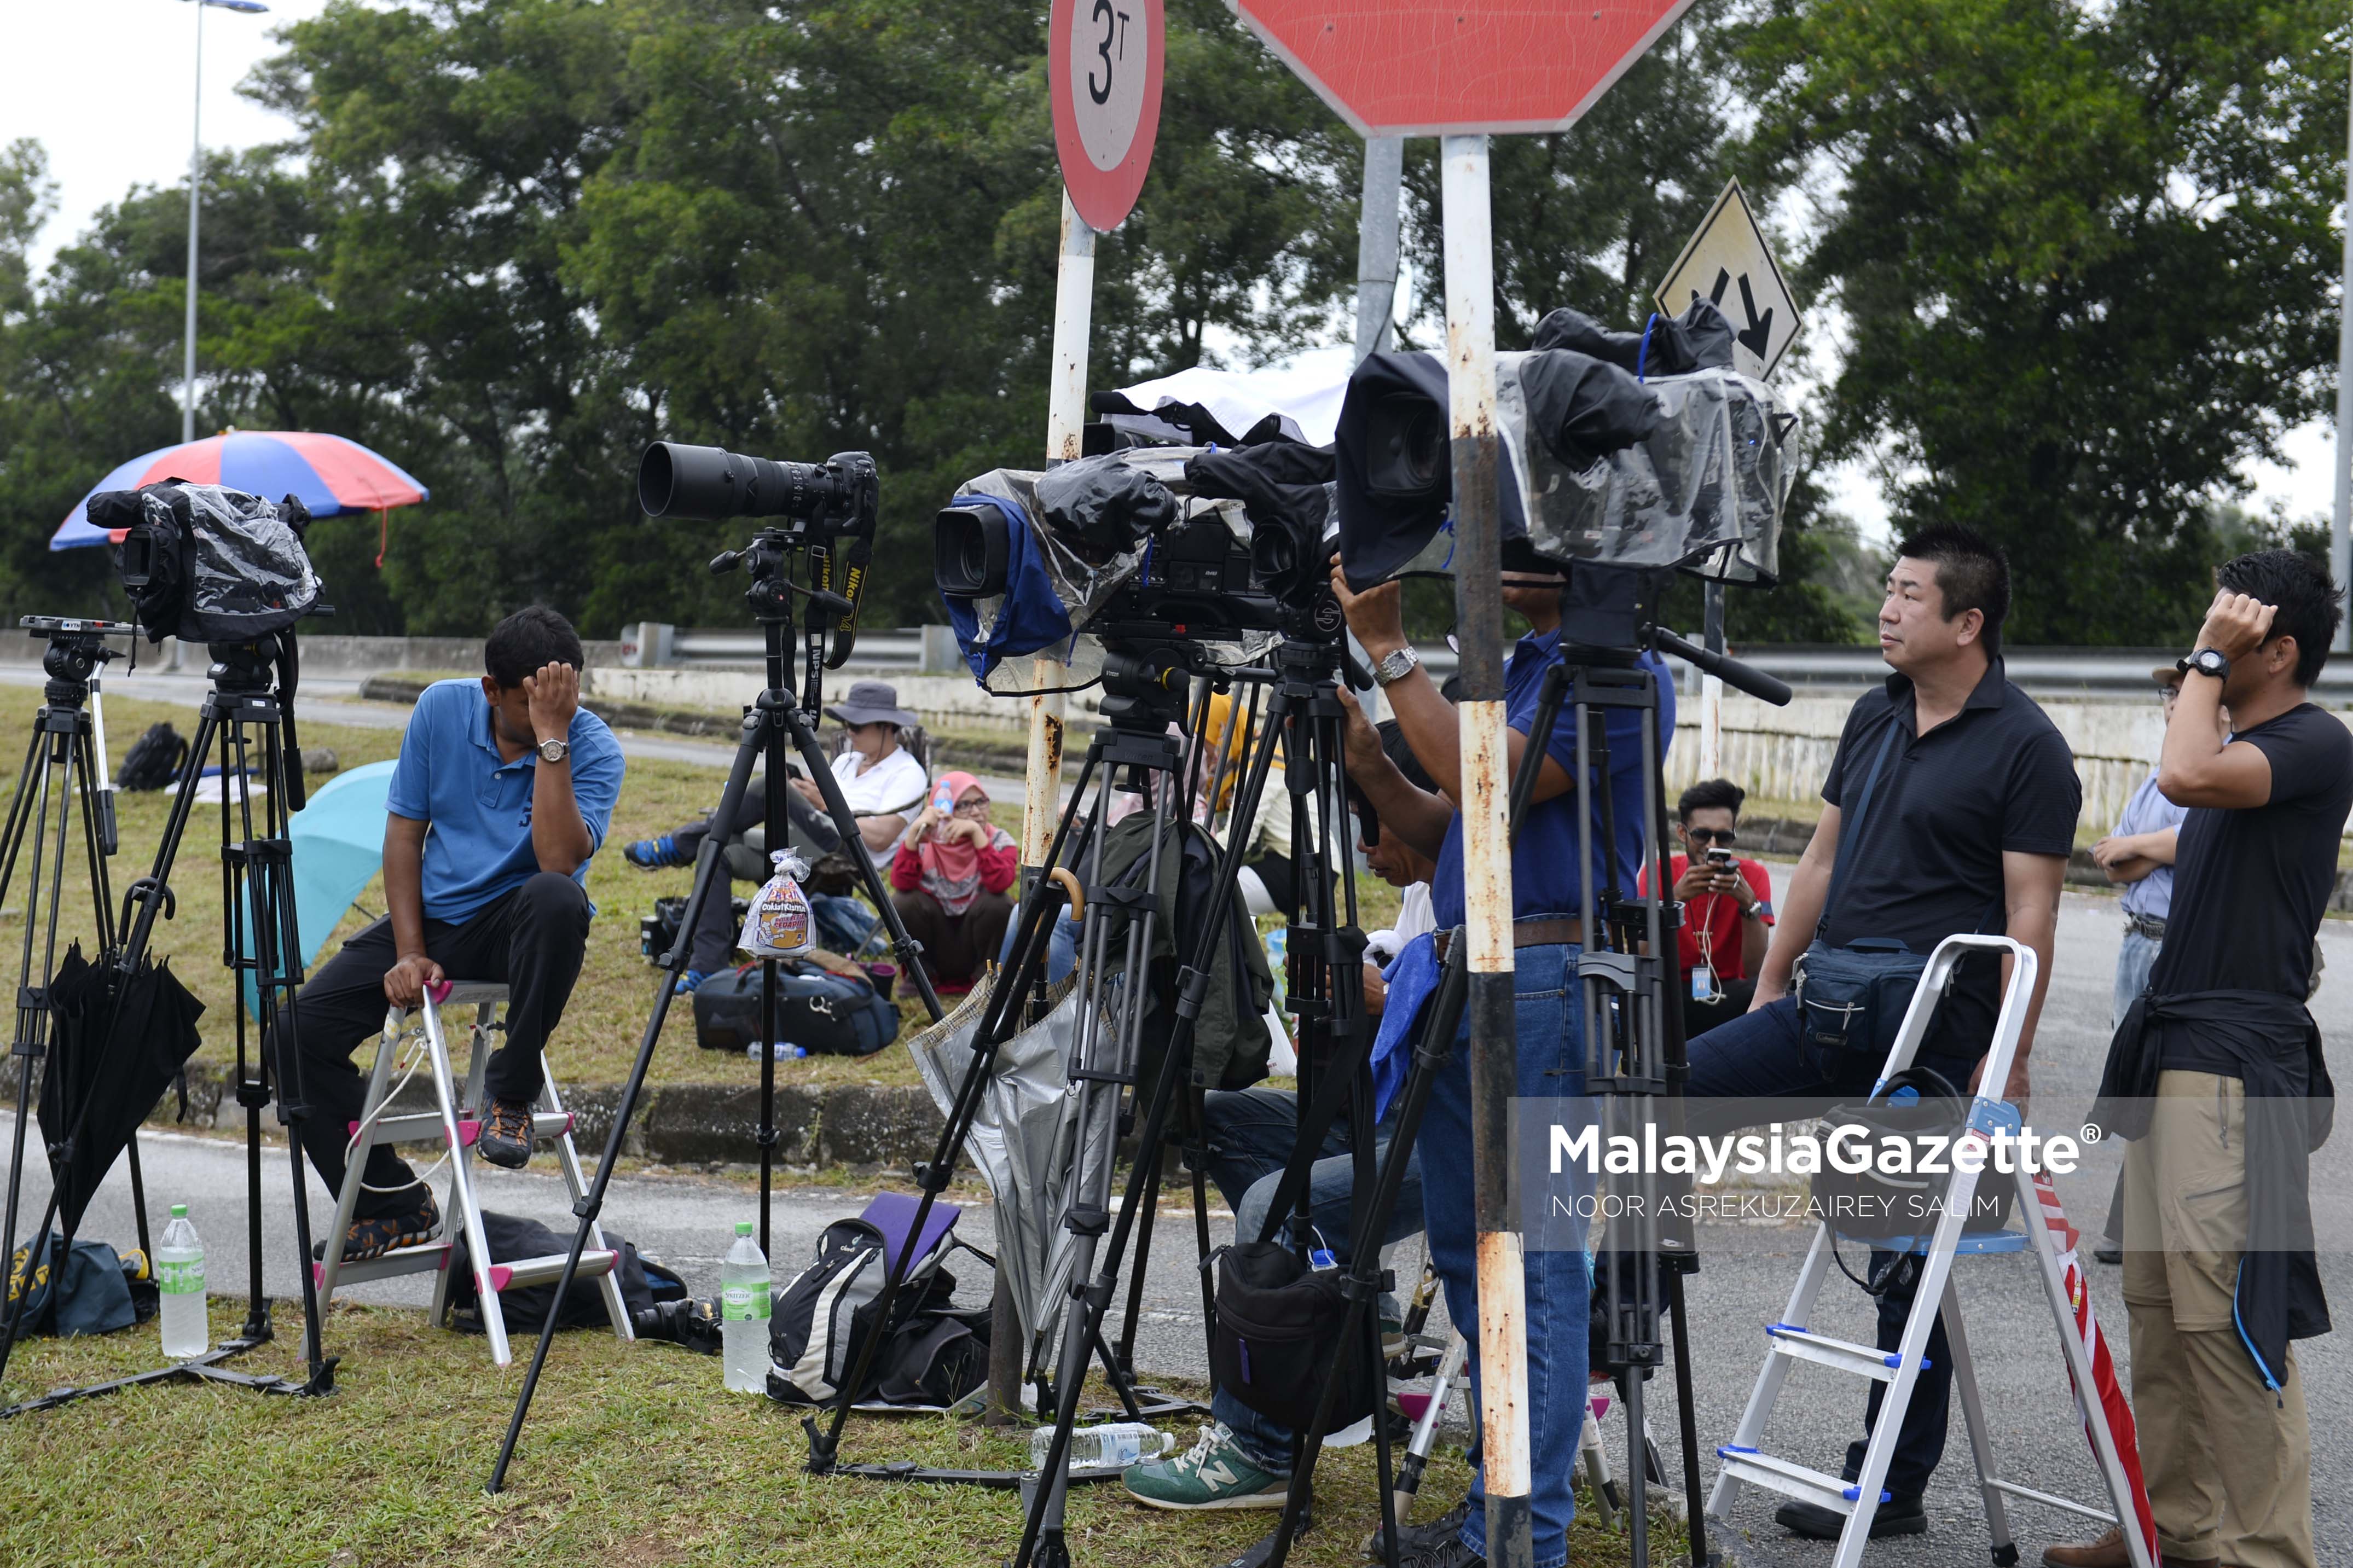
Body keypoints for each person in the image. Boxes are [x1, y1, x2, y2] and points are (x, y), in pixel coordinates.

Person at [1267, 561, 1671, 1568]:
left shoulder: (1624, 674)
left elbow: (1492, 779)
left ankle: (1525, 1539)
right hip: (1465, 967)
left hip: (1544, 974)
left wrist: (1391, 652)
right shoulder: (1527, 666)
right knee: (1464, 1255)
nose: (1489, 550)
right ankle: (1501, 1501)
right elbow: (1459, 831)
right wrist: (1367, 760)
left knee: (1531, 1269)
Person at [1683, 525, 2078, 1544]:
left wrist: (2010, 1055)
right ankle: (1610, 1327)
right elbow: (1818, 861)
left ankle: (1889, 1488)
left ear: (1967, 621)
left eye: (1910, 594)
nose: (1888, 608)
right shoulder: (1873, 713)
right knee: (1660, 1096)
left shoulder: (2027, 745)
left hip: (1932, 1038)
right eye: (1889, 588)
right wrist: (1769, 983)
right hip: (1824, 1009)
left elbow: (2031, 913)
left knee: (1903, 1261)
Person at [2048, 555, 2348, 1568]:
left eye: (2227, 626)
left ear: (2281, 650)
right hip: (2175, 1049)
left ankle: (2270, 1554)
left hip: (2233, 1065)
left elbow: (2181, 777)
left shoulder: (2313, 740)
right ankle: (2178, 1534)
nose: (2202, 643)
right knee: (2156, 1309)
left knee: (2226, 1316)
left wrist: (2207, 659)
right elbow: (2192, 804)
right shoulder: (2245, 748)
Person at [1126, 723, 1437, 1513]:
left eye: (1371, 824)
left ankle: (1256, 1448)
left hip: (1452, 1133)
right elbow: (1411, 956)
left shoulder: (1494, 880)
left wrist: (1387, 993)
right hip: (1378, 1106)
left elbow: (1492, 1021)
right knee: (1216, 1116)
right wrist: (1367, 970)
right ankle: (1353, 1299)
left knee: (1272, 1203)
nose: (1362, 848)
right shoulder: (1424, 880)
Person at [271, 607, 624, 1262]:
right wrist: (409, 951)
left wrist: (551, 739)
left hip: (519, 926)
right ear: (491, 689)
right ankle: (392, 1204)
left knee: (558, 897)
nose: (553, 715)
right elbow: (405, 836)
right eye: (532, 704)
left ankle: (509, 1092)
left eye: (564, 702)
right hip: (434, 919)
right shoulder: (441, 710)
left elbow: (556, 862)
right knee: (295, 1035)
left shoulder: (590, 746)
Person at [624, 677, 927, 990]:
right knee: (714, 848)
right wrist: (805, 791)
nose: (849, 731)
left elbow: (881, 838)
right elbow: (820, 806)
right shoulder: (848, 761)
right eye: (847, 724)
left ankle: (676, 845)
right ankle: (708, 966)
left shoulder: (907, 773)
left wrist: (820, 802)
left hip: (848, 852)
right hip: (806, 842)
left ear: (887, 727)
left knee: (770, 785)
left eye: (858, 726)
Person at [2083, 666, 2199, 1264]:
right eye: (2170, 692)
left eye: (2185, 691)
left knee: (2172, 1082)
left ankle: (2146, 1225)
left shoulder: (2219, 768)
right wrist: (2148, 849)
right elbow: (2113, 860)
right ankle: (2130, 1221)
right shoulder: (2156, 780)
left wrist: (2143, 847)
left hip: (2179, 943)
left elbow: (2200, 841)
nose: (2174, 701)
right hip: (2137, 940)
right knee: (2133, 1076)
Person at [1636, 778, 1775, 1038]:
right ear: (1682, 833)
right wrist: (1675, 899)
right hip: (1671, 993)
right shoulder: (1656, 873)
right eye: (1701, 834)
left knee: (1766, 993)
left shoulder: (1752, 876)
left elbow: (1756, 968)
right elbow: (1642, 956)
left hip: (1729, 993)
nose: (1712, 846)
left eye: (1723, 836)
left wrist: (1748, 904)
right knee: (1646, 992)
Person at [889, 771, 1017, 994]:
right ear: (943, 809)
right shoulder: (925, 841)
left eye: (981, 802)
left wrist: (978, 836)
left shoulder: (1000, 841)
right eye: (964, 805)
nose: (976, 812)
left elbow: (1000, 884)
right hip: (934, 947)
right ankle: (922, 976)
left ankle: (984, 980)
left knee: (999, 903)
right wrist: (912, 838)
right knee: (904, 902)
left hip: (977, 948)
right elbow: (902, 883)